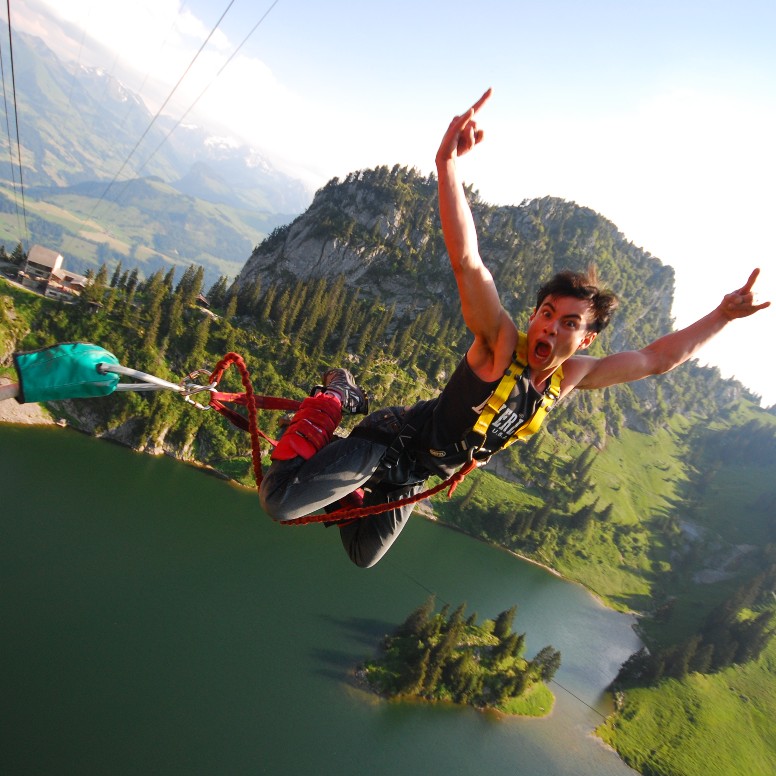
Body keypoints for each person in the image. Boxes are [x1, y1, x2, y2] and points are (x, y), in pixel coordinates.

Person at [259, 88, 770, 568]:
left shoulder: (571, 377)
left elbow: (657, 359)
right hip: (391, 443)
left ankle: (349, 484)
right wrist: (447, 166)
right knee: (282, 503)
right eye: (546, 312)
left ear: (585, 339)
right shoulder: (500, 347)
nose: (549, 326)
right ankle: (333, 400)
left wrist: (722, 316)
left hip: (414, 475)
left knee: (363, 552)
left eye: (568, 322)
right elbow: (468, 262)